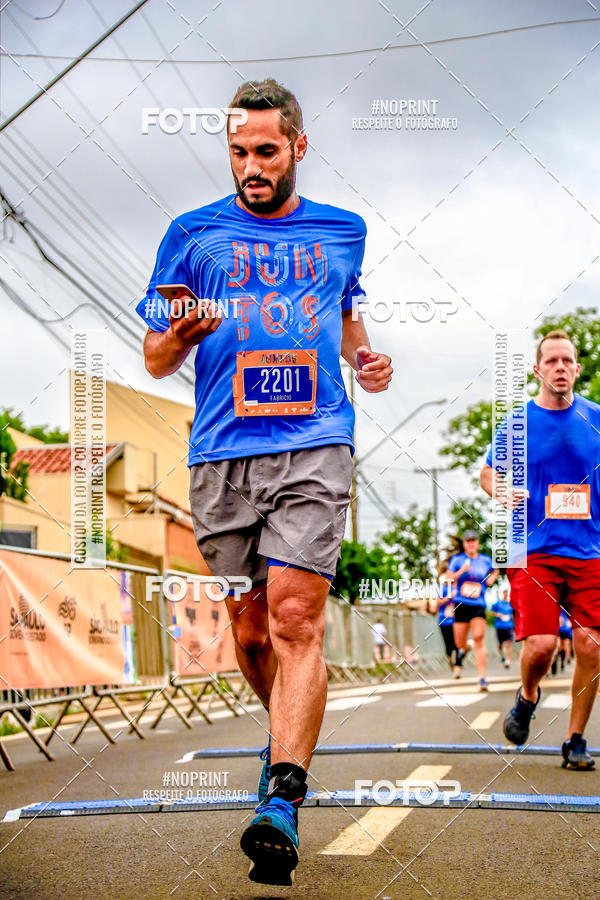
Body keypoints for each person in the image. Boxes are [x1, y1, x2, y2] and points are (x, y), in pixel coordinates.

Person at [137, 79, 392, 884]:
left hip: (316, 441)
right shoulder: (192, 234)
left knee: (294, 618)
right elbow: (154, 354)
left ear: (298, 147)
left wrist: (366, 357)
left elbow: (344, 314)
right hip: (221, 454)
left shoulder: (343, 231)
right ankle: (282, 739)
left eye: (266, 151)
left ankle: (281, 794)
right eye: (240, 152)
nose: (252, 165)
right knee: (250, 631)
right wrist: (181, 329)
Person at [481, 330, 600, 770]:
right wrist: (500, 489)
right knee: (543, 646)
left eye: (567, 361)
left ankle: (575, 740)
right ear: (537, 370)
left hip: (590, 550)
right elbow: (488, 473)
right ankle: (528, 695)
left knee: (591, 647)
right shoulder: (517, 423)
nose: (560, 368)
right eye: (551, 361)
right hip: (532, 550)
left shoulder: (595, 418)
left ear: (577, 369)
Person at [442, 530, 498, 688]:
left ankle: (482, 678)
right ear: (464, 544)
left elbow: (495, 571)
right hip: (461, 604)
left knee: (479, 637)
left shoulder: (486, 560)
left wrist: (491, 579)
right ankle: (463, 650)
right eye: (468, 541)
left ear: (478, 543)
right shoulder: (457, 560)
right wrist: (461, 571)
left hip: (478, 604)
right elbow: (448, 578)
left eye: (474, 540)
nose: (471, 543)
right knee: (459, 643)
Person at [436, 575, 456, 671]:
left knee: (457, 643)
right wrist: (450, 597)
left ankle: (457, 662)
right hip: (444, 620)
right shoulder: (441, 588)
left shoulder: (456, 586)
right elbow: (438, 602)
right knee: (448, 644)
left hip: (456, 621)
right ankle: (450, 660)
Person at [491, 587, 514, 668]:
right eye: (504, 592)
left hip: (509, 626)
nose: (506, 594)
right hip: (499, 626)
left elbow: (515, 614)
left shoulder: (511, 604)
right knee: (500, 644)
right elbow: (491, 612)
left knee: (509, 643)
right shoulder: (497, 603)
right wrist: (498, 614)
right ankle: (502, 656)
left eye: (507, 592)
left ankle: (508, 661)